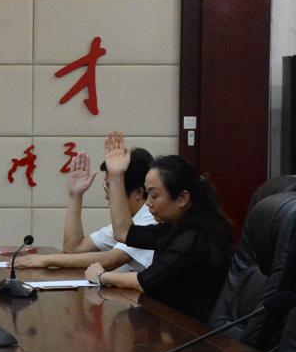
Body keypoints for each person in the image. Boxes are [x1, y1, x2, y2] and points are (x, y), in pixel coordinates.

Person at [84, 132, 233, 323]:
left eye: (154, 196)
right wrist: (115, 176)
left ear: (182, 198)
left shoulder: (194, 236)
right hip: (168, 322)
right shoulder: (174, 227)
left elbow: (144, 281)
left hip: (191, 331)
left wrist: (101, 276)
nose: (148, 203)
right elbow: (124, 233)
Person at [15, 147, 155, 272]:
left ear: (138, 193)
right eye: (106, 187)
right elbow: (73, 249)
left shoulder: (151, 218)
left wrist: (47, 259)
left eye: (111, 187)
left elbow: (110, 259)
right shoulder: (126, 222)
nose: (106, 196)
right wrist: (75, 195)